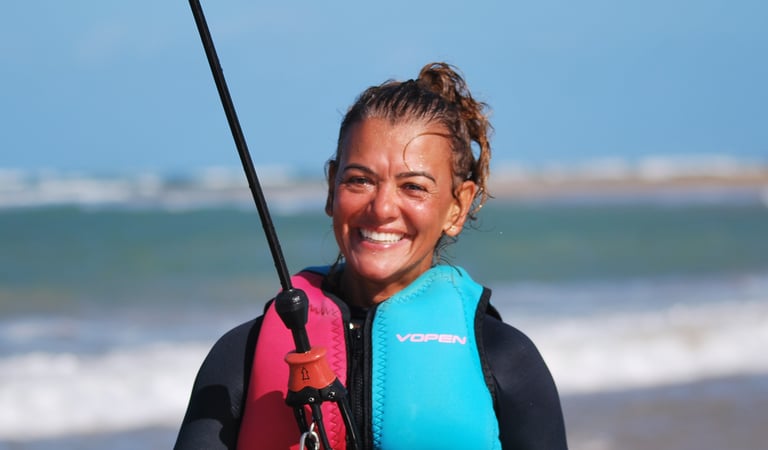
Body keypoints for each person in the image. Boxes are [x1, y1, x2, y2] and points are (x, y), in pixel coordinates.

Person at [175, 62, 568, 449]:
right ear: (331, 188)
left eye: (413, 187)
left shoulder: (507, 359)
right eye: (359, 180)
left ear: (457, 207)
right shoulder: (241, 355)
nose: (381, 209)